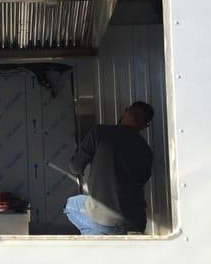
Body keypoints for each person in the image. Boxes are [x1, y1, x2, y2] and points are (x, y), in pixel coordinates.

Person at [64, 101, 154, 235]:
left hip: (106, 220)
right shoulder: (146, 151)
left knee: (70, 205)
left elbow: (76, 167)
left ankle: (96, 238)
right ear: (145, 126)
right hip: (136, 221)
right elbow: (142, 179)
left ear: (125, 111)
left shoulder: (100, 133)